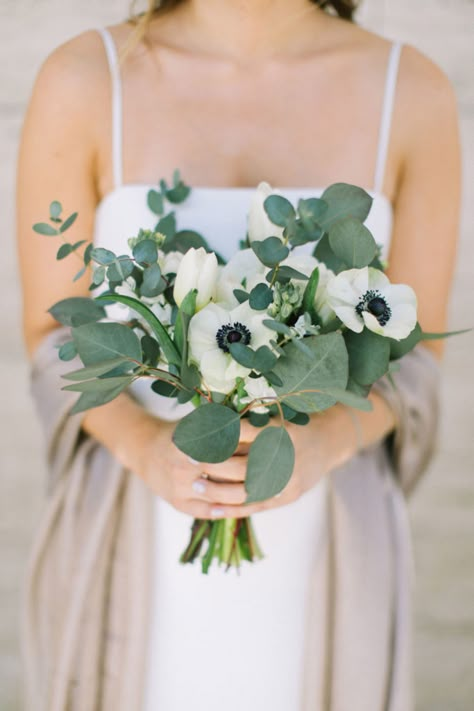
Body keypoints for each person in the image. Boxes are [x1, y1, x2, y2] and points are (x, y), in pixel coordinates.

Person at [16, 1, 461, 710]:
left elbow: (415, 364)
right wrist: (147, 446)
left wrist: (319, 447)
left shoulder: (413, 91)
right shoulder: (83, 78)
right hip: (134, 536)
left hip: (330, 542)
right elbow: (53, 340)